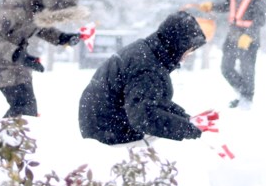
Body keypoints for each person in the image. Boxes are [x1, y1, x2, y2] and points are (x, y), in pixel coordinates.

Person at [78, 11, 208, 146]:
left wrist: (186, 119)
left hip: (107, 122)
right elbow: (143, 116)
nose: (188, 55)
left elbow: (154, 101)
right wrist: (186, 127)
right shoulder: (146, 66)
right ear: (177, 45)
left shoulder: (149, 54)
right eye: (189, 50)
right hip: (109, 130)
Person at [0, 0, 87, 117]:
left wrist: (61, 38)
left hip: (13, 56)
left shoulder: (37, 1)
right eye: (58, 6)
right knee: (24, 106)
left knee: (26, 107)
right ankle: (7, 137)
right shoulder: (16, 5)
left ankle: (11, 136)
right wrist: (18, 55)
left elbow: (36, 25)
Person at [198, 0, 266, 110]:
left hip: (249, 37)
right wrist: (212, 6)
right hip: (232, 34)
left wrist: (249, 36)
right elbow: (226, 4)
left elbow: (260, 19)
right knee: (226, 68)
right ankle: (242, 92)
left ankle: (247, 99)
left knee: (247, 69)